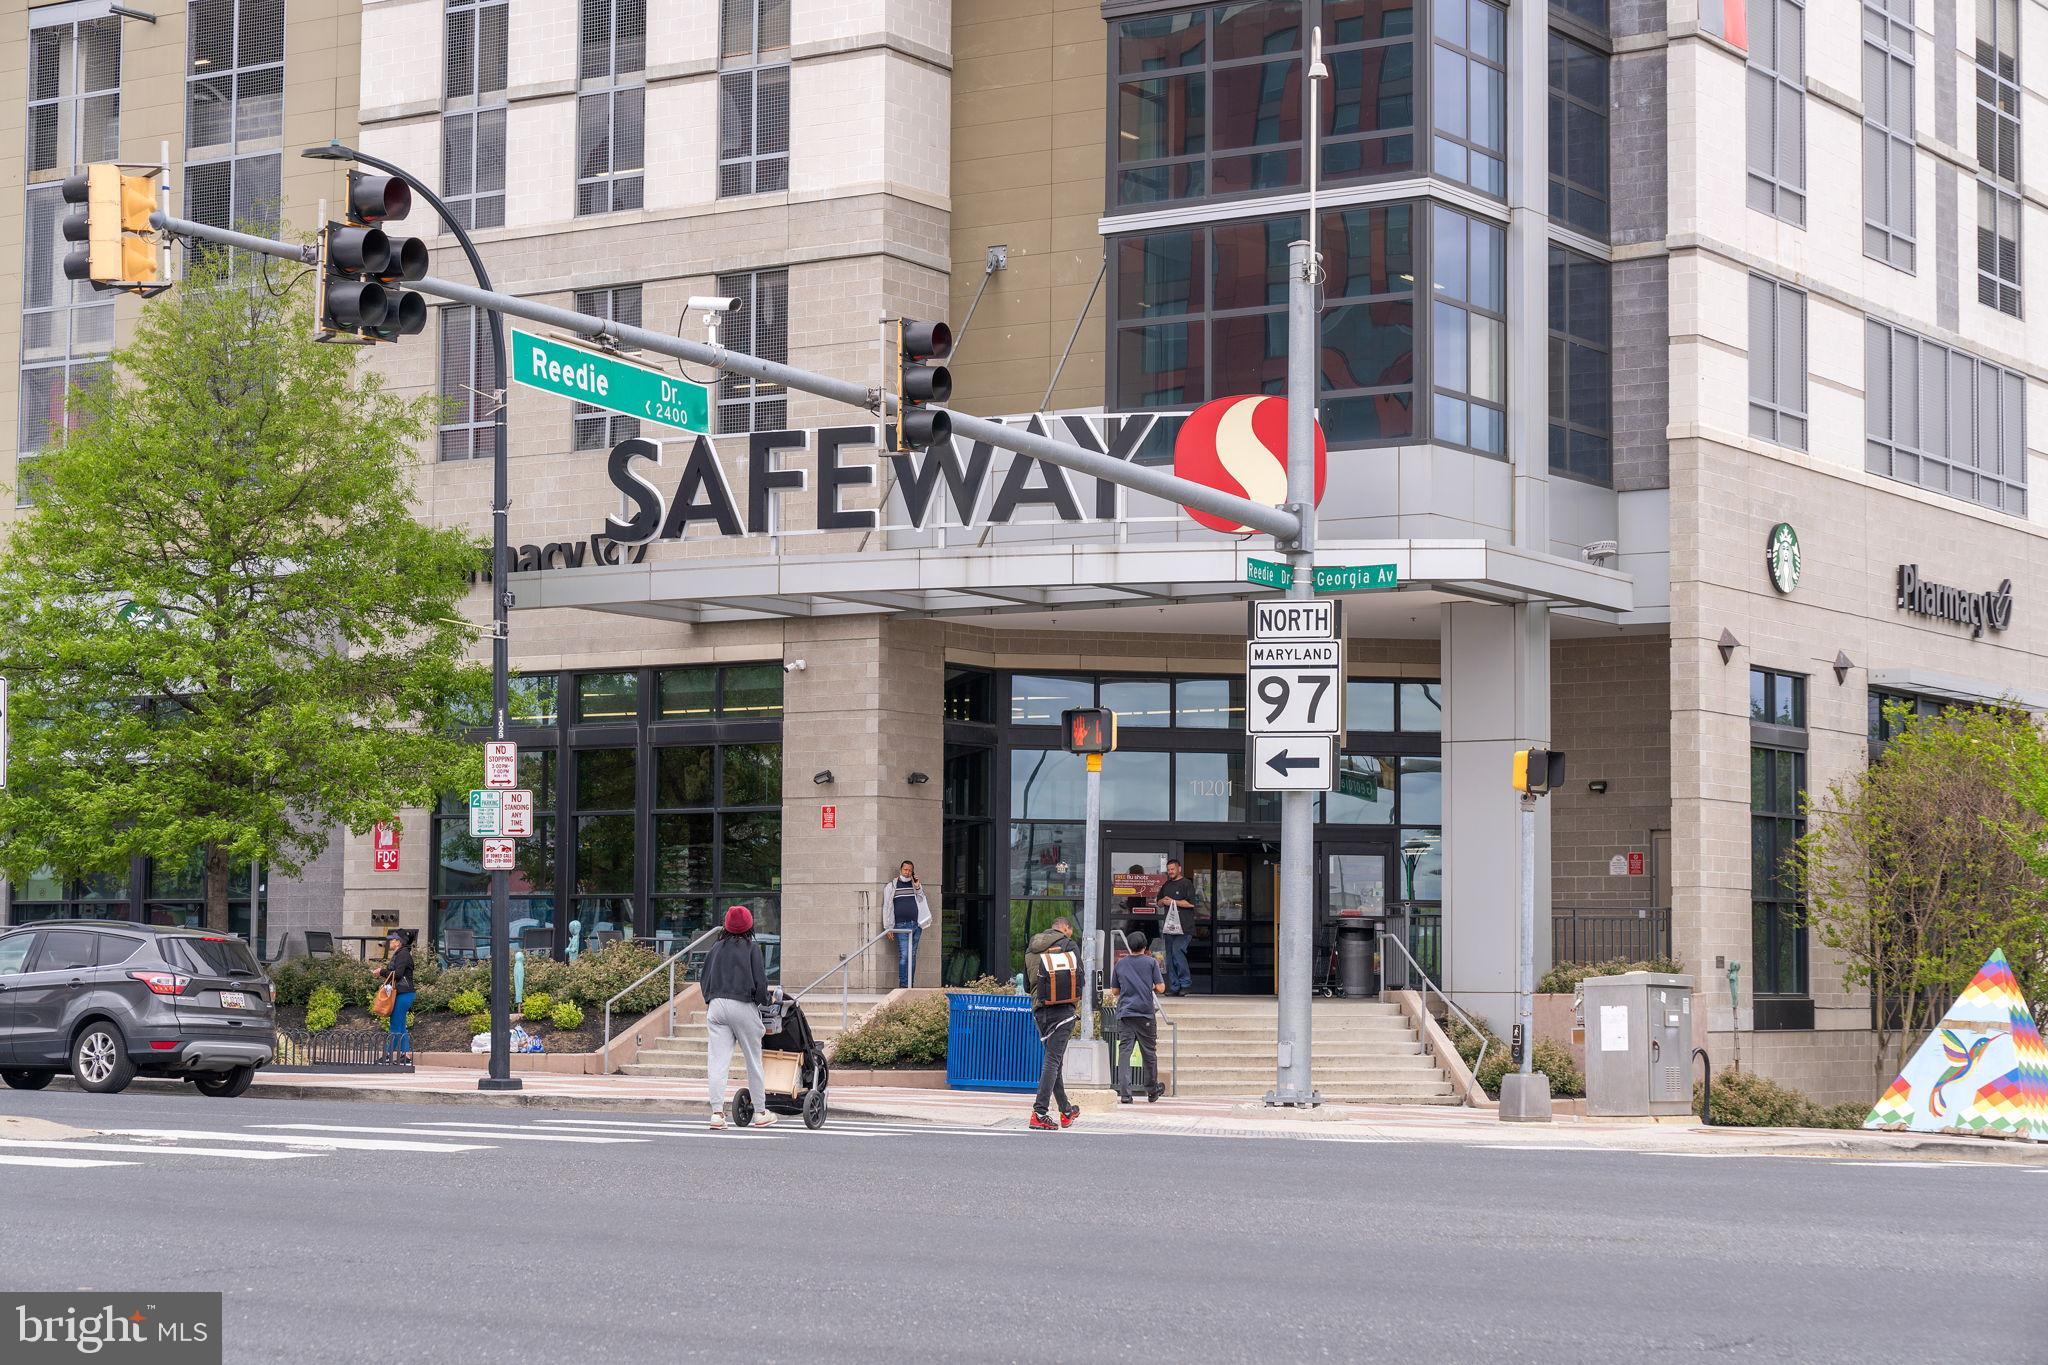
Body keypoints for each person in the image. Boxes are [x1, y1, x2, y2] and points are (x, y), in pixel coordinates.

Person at [700, 904, 778, 1129]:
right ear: (749, 925)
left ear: (726, 924)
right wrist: (766, 1000)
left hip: (716, 1005)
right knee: (753, 1060)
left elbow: (704, 978)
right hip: (742, 1004)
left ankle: (717, 1114)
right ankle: (761, 1112)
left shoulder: (715, 948)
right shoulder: (751, 948)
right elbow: (760, 982)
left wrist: (710, 999)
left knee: (717, 1061)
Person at [1023, 915, 1083, 1131]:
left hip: (1040, 1009)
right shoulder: (1068, 945)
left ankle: (1066, 1111)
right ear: (1065, 928)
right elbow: (1081, 978)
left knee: (1053, 1060)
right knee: (1053, 1060)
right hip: (1062, 1009)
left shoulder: (1032, 948)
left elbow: (1027, 985)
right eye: (1070, 929)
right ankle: (1039, 1112)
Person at [1109, 930, 1166, 1103]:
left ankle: (1125, 1093)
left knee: (1125, 1052)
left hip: (1125, 1013)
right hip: (1145, 1014)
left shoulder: (1120, 963)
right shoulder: (1151, 963)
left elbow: (1114, 991)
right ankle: (1151, 1089)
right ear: (1145, 947)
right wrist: (1149, 987)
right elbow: (1161, 987)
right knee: (1149, 1052)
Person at [882, 860, 931, 988]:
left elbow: (921, 899)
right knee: (904, 955)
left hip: (916, 925)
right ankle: (904, 985)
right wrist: (888, 927)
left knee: (912, 955)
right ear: (900, 870)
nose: (907, 872)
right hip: (901, 926)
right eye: (905, 870)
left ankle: (910, 985)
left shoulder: (915, 884)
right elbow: (887, 907)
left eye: (910, 870)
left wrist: (918, 887)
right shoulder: (892, 886)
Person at [1156, 859, 1198, 996]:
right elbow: (1159, 902)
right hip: (1169, 927)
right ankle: (1174, 987)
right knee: (1169, 957)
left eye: (1172, 869)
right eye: (1168, 870)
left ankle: (1185, 984)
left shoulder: (1187, 883)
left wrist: (1174, 902)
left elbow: (1191, 904)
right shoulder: (1166, 885)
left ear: (1179, 868)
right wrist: (1163, 901)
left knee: (1177, 952)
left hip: (1185, 928)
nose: (1170, 872)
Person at [375, 929, 416, 1063]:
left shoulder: (403, 955)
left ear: (398, 942)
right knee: (401, 1025)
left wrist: (381, 971)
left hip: (403, 994)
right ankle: (407, 1055)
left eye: (392, 939)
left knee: (395, 1026)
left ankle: (387, 1056)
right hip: (404, 994)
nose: (390, 942)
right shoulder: (401, 953)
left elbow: (397, 974)